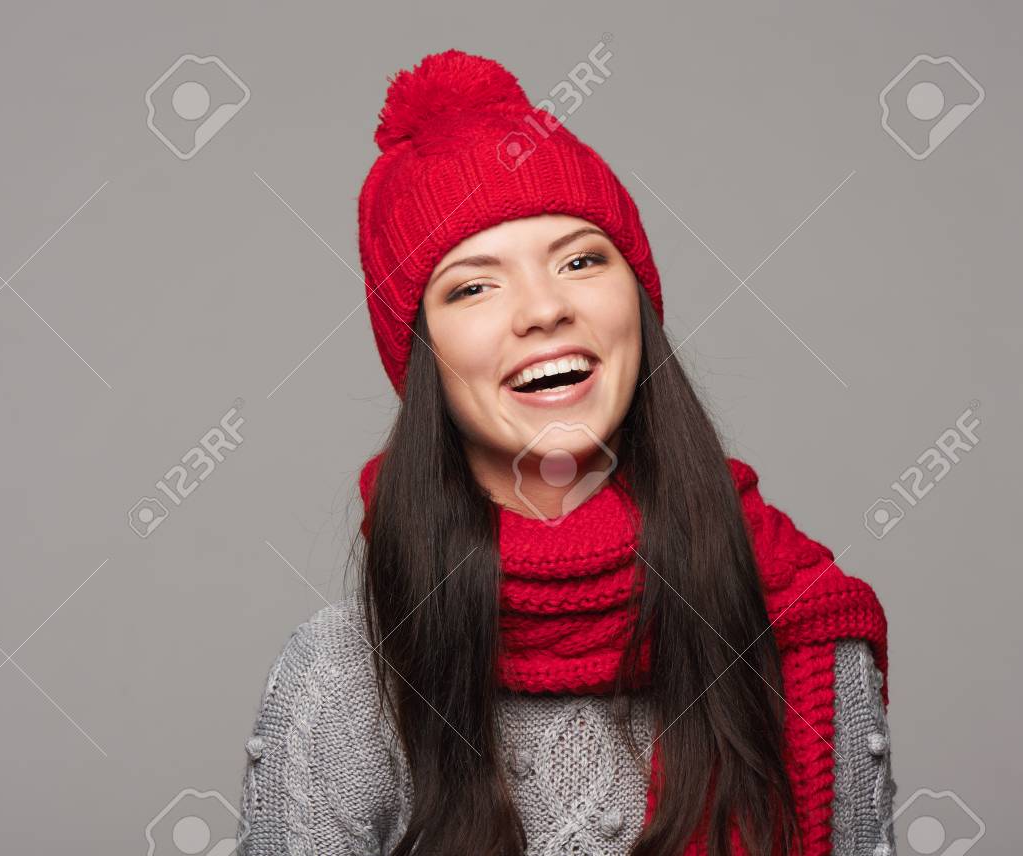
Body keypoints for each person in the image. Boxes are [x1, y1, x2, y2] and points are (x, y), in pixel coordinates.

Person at [236, 49, 894, 856]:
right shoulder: (344, 678)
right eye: (474, 286)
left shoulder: (805, 630)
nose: (545, 308)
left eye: (582, 260)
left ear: (638, 304)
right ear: (422, 354)